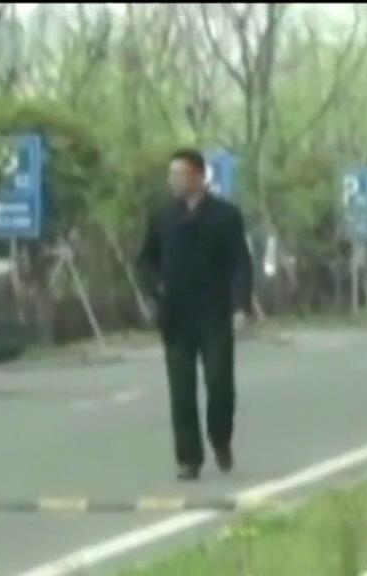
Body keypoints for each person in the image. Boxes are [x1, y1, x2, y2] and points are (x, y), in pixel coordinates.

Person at [136, 149, 254, 481]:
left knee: (219, 383)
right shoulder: (162, 216)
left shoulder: (226, 215)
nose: (175, 181)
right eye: (171, 175)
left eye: (181, 174)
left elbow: (241, 263)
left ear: (200, 176)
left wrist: (241, 306)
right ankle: (188, 459)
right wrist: (154, 289)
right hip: (176, 315)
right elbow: (145, 261)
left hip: (215, 313)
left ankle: (221, 438)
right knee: (181, 390)